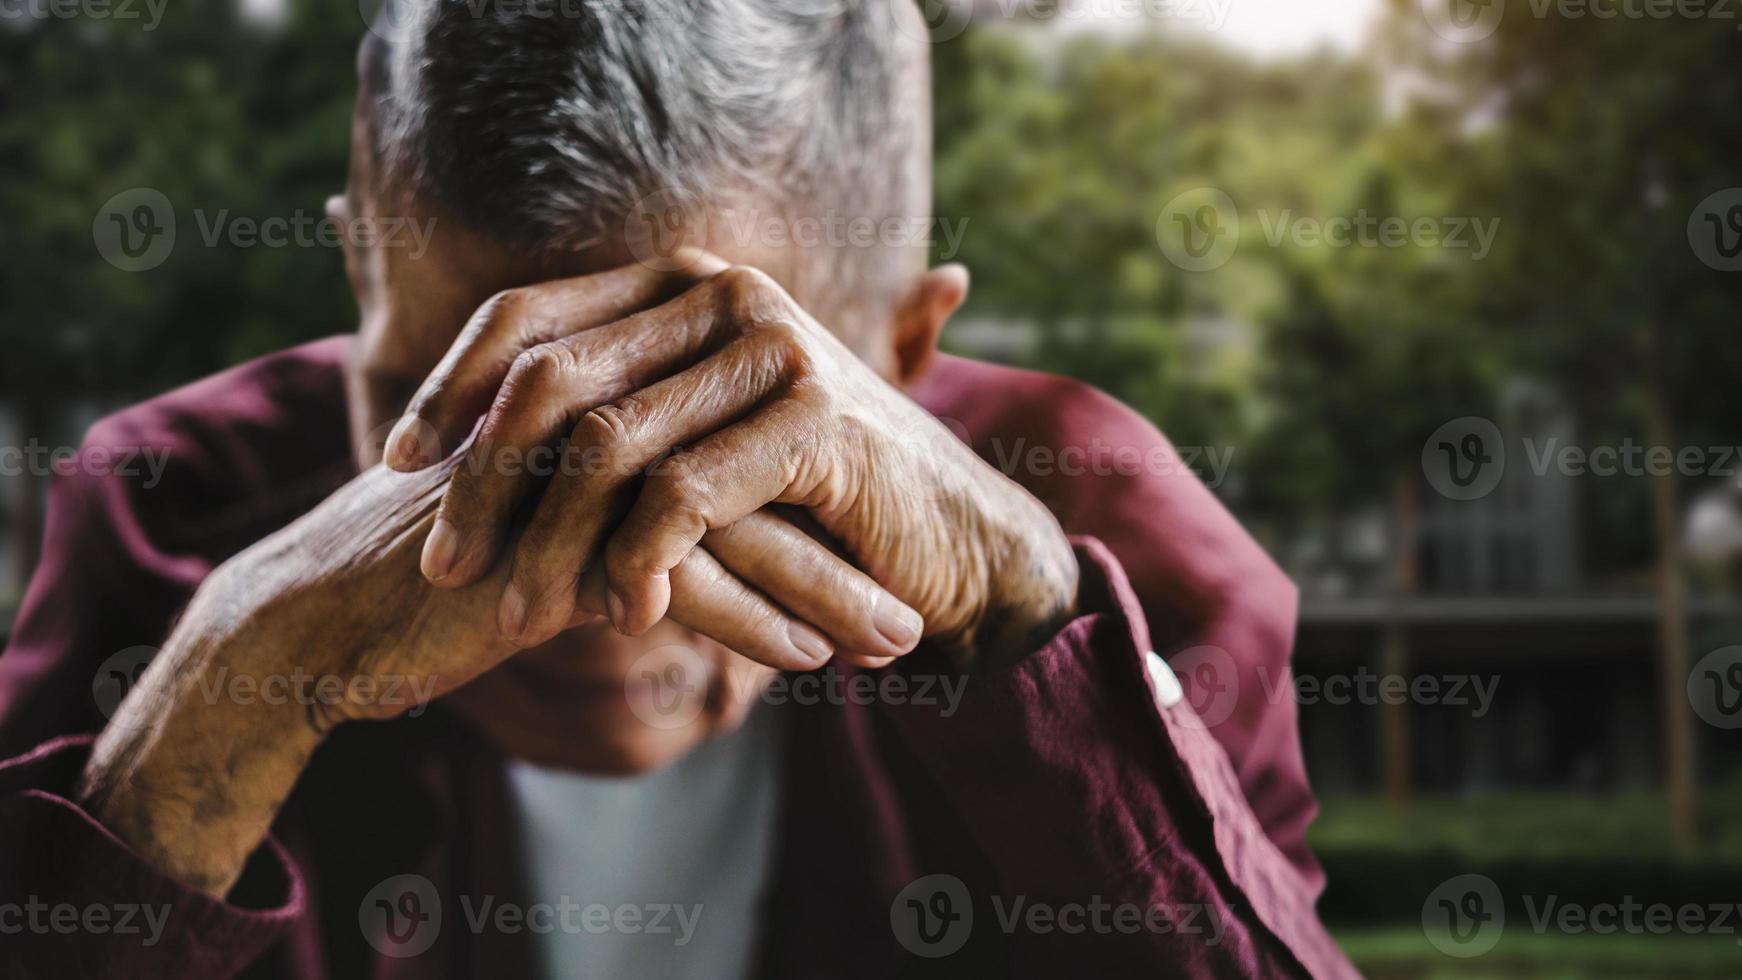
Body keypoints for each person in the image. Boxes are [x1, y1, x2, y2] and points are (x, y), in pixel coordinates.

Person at [0, 1, 1355, 976]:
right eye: (463, 421)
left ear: (902, 358)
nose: (575, 594)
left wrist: (1036, 652)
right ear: (360, 292)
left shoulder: (1113, 554)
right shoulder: (165, 519)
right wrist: (218, 699)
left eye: (712, 431)